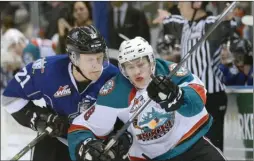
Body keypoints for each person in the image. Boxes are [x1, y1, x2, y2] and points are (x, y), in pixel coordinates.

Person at [67, 37, 226, 161]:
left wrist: (179, 95)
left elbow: (198, 96)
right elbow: (81, 127)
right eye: (130, 67)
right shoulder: (115, 91)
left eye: (140, 64)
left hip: (193, 147)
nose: (136, 71)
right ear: (123, 69)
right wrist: (86, 145)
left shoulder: (169, 71)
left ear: (151, 61)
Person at [2, 25, 119, 161]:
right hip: (57, 140)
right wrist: (42, 119)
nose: (97, 66)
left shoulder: (113, 75)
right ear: (74, 58)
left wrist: (118, 139)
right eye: (90, 60)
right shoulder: (47, 71)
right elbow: (10, 97)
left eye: (100, 58)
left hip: (94, 147)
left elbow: (130, 113)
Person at [152, 2, 235, 151]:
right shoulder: (185, 25)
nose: (179, 6)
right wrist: (165, 18)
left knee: (213, 144)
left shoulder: (209, 24)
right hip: (190, 94)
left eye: (182, 2)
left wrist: (228, 20)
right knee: (192, 144)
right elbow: (172, 21)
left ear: (196, 3)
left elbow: (225, 27)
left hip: (212, 95)